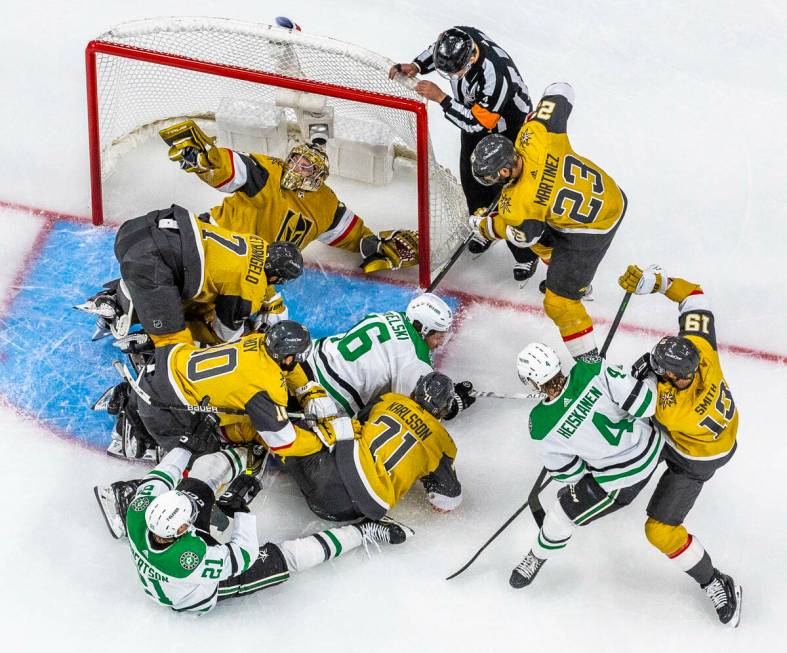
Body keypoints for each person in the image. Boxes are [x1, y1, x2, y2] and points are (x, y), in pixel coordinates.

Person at [116, 444, 410, 613]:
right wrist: (240, 510)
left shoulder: (139, 510)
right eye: (189, 518)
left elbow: (164, 473)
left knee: (199, 483)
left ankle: (246, 450)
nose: (193, 512)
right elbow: (242, 556)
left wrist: (187, 444)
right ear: (182, 530)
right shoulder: (189, 559)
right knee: (284, 557)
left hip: (168, 566)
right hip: (197, 593)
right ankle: (364, 532)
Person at [93, 320, 339, 520]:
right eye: (297, 355)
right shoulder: (264, 386)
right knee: (209, 463)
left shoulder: (258, 341)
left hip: (162, 370)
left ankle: (128, 401)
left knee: (233, 424)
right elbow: (285, 442)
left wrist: (308, 389)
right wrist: (324, 437)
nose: (298, 361)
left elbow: (288, 367)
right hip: (165, 409)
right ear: (286, 356)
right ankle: (131, 498)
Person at [619, 264, 742, 627]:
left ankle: (715, 580)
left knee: (659, 529)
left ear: (674, 376)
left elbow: (629, 405)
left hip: (696, 458)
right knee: (622, 473)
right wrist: (656, 282)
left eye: (662, 372)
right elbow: (693, 296)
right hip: (714, 434)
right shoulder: (700, 349)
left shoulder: (672, 409)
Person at [469, 83, 627, 359]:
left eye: (495, 177)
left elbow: (521, 237)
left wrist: (483, 224)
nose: (494, 183)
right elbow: (561, 89)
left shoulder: (518, 205)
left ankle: (591, 364)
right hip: (611, 194)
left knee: (559, 303)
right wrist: (536, 118)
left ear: (505, 170)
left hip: (592, 231)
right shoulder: (533, 135)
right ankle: (572, 276)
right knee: (543, 233)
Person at [159, 119, 418, 274]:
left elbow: (353, 235)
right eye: (294, 160)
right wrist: (208, 160)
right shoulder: (270, 173)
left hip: (256, 270)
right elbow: (236, 168)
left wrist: (380, 248)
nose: (294, 168)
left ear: (317, 177)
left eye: (305, 166)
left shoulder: (325, 205)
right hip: (214, 236)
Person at [509, 342, 662, 590]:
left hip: (623, 481)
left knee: (560, 515)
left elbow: (570, 474)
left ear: (533, 382)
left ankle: (536, 556)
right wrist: (648, 378)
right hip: (655, 445)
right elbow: (645, 403)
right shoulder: (591, 368)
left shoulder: (539, 424)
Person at [389, 27, 534, 279]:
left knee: (507, 193)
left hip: (505, 128)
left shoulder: (494, 78)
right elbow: (435, 52)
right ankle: (484, 230)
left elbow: (479, 125)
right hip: (474, 115)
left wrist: (442, 98)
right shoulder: (458, 37)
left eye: (455, 71)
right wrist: (416, 65)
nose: (451, 75)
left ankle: (526, 255)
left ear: (471, 58)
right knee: (471, 182)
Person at [76, 205, 303, 345]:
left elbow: (247, 271)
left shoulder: (256, 242)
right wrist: (252, 335)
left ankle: (116, 298)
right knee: (182, 337)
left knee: (196, 291)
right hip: (152, 261)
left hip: (138, 229)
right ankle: (149, 341)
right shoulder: (248, 287)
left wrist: (270, 302)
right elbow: (225, 335)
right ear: (276, 276)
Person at [282, 371, 463, 521]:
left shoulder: (390, 399)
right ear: (444, 410)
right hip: (353, 511)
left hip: (326, 477)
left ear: (415, 392)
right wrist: (425, 474)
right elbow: (448, 499)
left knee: (300, 430)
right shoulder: (443, 443)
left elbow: (357, 425)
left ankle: (261, 452)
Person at [303, 292, 475, 418]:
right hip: (325, 396)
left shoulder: (394, 316)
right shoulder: (415, 360)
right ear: (423, 329)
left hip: (308, 359)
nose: (440, 343)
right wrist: (449, 405)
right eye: (438, 336)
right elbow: (413, 412)